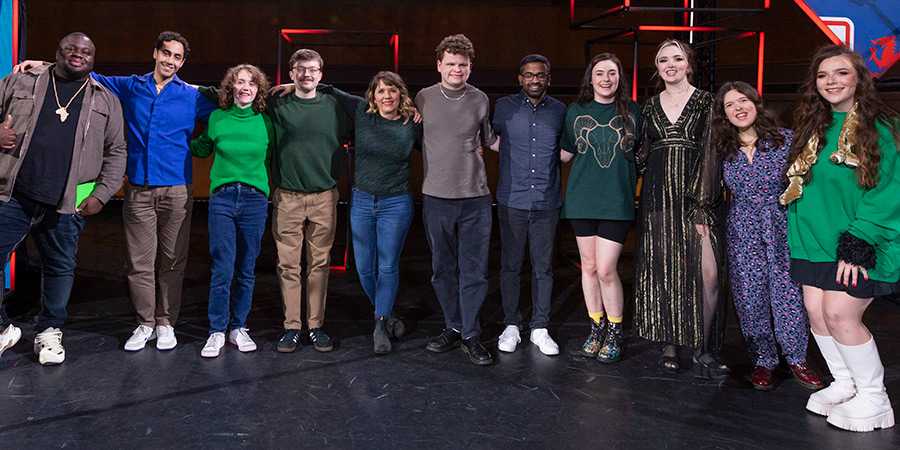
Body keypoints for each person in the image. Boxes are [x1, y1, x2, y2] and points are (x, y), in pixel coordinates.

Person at [15, 31, 219, 351]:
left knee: (172, 261)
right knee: (139, 262)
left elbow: (226, 112)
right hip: (138, 189)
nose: (171, 61)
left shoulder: (192, 96)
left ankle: (166, 322)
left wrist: (198, 146)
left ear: (183, 61)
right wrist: (41, 64)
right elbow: (84, 71)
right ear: (155, 53)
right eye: (166, 53)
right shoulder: (130, 86)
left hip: (177, 190)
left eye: (178, 57)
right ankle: (144, 323)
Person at [783, 45, 899, 432]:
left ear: (859, 79)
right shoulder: (812, 126)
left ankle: (874, 398)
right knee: (817, 314)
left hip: (859, 241)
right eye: (822, 75)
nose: (831, 81)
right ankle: (845, 383)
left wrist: (860, 241)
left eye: (841, 73)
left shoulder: (881, 126)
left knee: (839, 314)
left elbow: (888, 190)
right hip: (814, 239)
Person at [0, 32, 127, 364]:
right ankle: (2, 329)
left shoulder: (105, 100)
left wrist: (103, 193)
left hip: (65, 204)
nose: (78, 54)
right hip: (13, 195)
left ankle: (49, 332)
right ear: (56, 52)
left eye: (86, 51)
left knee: (59, 267)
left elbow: (118, 152)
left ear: (92, 60)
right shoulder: (21, 80)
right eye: (71, 48)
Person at [705, 81, 822, 390]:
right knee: (749, 296)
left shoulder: (785, 140)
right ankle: (762, 360)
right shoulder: (723, 150)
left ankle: (797, 357)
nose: (738, 108)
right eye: (730, 105)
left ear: (756, 104)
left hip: (782, 222)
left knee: (788, 294)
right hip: (742, 227)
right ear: (724, 114)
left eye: (743, 100)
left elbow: (808, 183)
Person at [632, 39, 729, 378]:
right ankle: (670, 344)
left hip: (699, 197)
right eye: (662, 60)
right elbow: (640, 155)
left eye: (677, 58)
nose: (670, 64)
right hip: (658, 198)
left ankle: (703, 347)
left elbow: (713, 152)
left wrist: (703, 203)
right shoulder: (647, 107)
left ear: (689, 63)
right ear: (657, 68)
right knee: (665, 270)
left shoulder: (708, 102)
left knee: (709, 275)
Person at [317, 72, 421, 355]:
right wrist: (292, 84)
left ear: (401, 94)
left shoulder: (412, 123)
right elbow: (329, 88)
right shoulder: (362, 112)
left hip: (396, 202)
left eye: (392, 91)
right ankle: (388, 314)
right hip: (363, 201)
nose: (386, 96)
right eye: (381, 91)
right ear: (372, 96)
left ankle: (379, 324)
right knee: (363, 267)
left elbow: (436, 147)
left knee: (387, 266)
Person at [417, 34, 497, 365]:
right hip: (436, 198)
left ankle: (470, 332)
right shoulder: (422, 98)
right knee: (442, 269)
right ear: (439, 65)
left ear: (469, 67)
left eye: (462, 65)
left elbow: (490, 140)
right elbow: (380, 107)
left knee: (475, 270)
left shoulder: (480, 99)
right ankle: (452, 326)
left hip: (476, 199)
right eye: (450, 64)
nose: (456, 70)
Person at [269, 49, 352, 353]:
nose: (306, 75)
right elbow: (242, 91)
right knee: (288, 266)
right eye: (300, 70)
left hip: (324, 197)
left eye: (313, 70)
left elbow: (371, 114)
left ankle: (315, 325)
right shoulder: (277, 104)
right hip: (288, 196)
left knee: (319, 265)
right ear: (291, 73)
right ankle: (292, 327)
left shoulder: (334, 107)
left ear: (321, 74)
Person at [560, 53, 641, 363]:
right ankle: (596, 328)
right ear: (590, 79)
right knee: (589, 267)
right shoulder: (575, 111)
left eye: (612, 72)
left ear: (619, 77)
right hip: (582, 200)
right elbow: (565, 154)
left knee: (607, 269)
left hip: (617, 201)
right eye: (599, 73)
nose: (606, 78)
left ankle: (615, 331)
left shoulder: (632, 111)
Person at [191, 64, 274, 358]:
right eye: (240, 82)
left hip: (254, 200)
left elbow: (276, 154)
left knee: (246, 267)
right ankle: (217, 330)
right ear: (231, 88)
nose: (246, 88)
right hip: (223, 199)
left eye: (252, 83)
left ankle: (238, 326)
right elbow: (201, 148)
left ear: (259, 90)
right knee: (222, 266)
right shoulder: (217, 118)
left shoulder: (266, 122)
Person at [490, 54, 566, 356]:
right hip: (512, 199)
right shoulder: (503, 108)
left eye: (541, 75)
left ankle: (539, 327)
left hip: (547, 201)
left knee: (543, 268)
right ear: (519, 78)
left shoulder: (560, 111)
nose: (535, 80)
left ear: (549, 78)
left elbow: (569, 148)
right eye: (529, 75)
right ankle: (511, 324)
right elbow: (488, 138)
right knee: (510, 266)